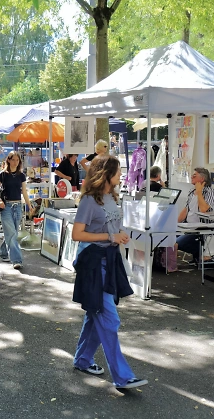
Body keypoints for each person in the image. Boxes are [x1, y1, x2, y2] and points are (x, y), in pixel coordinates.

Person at [71, 156, 147, 390]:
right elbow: (77, 234)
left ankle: (83, 360)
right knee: (110, 319)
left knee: (96, 315)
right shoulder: (88, 201)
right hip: (93, 265)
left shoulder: (111, 197)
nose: (121, 174)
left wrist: (120, 233)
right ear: (105, 174)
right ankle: (122, 377)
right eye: (118, 171)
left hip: (110, 262)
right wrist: (110, 237)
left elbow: (113, 226)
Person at [0, 152, 32, 270]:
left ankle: (4, 252)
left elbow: (24, 192)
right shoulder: (3, 175)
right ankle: (16, 260)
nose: (15, 162)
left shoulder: (21, 176)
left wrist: (29, 205)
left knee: (11, 232)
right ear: (8, 160)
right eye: (13, 159)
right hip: (7, 207)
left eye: (17, 160)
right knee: (12, 233)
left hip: (18, 206)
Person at [175, 167, 214, 262]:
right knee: (166, 238)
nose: (191, 177)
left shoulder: (210, 192)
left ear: (202, 179)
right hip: (187, 226)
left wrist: (199, 192)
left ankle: (198, 253)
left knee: (176, 243)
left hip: (200, 229)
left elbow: (204, 209)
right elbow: (185, 209)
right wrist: (175, 224)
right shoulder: (191, 191)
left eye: (194, 175)